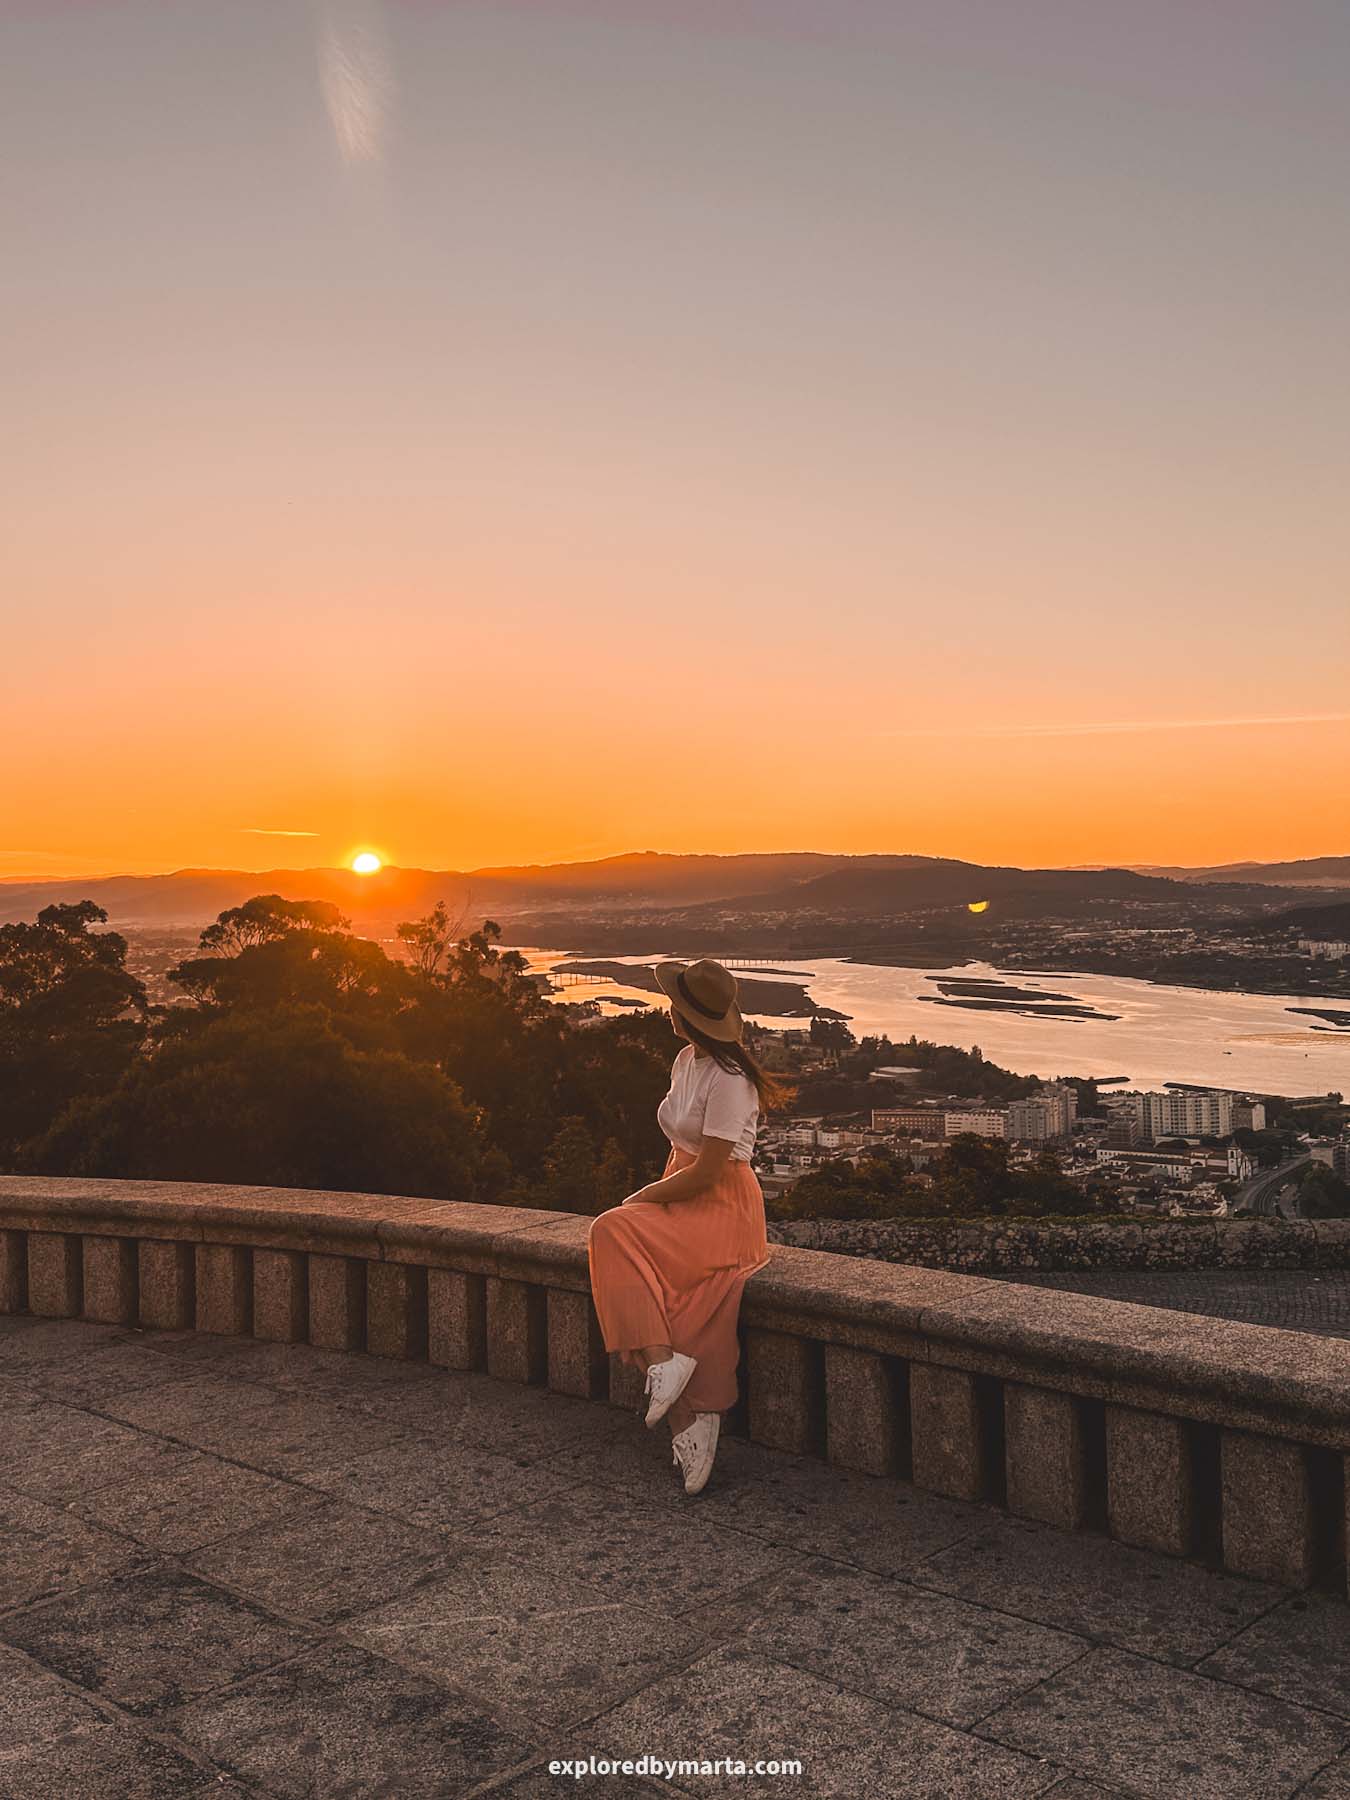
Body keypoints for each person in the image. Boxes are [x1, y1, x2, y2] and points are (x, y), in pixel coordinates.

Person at [587, 957, 780, 1494]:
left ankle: (678, 1388)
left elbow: (710, 1171)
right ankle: (671, 1379)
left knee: (612, 1230)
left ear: (689, 1015)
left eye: (675, 1004)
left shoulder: (732, 1080)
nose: (667, 1009)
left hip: (722, 1206)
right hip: (682, 1190)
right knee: (641, 1269)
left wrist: (645, 1196)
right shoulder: (685, 1060)